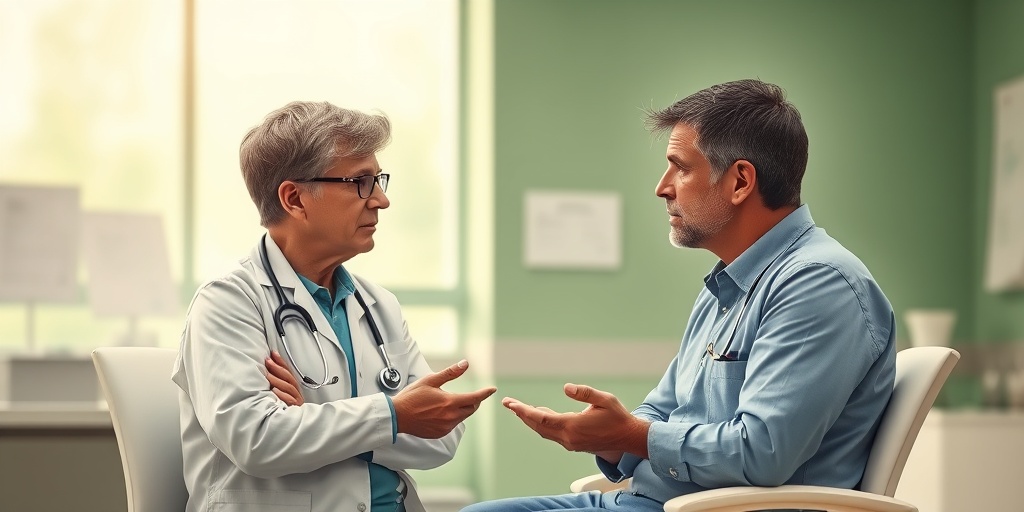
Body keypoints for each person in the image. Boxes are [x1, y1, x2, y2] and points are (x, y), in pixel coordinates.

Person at [463, 79, 896, 512]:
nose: (662, 187)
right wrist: (610, 438)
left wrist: (630, 435)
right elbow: (663, 409)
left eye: (680, 167)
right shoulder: (725, 286)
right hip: (648, 499)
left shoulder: (816, 283)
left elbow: (764, 452)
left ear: (741, 181)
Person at [172, 101, 496, 512]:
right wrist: (390, 417)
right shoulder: (228, 302)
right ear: (294, 199)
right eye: (360, 182)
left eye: (379, 180)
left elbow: (442, 437)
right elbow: (257, 440)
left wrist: (316, 418)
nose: (380, 200)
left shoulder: (379, 306)